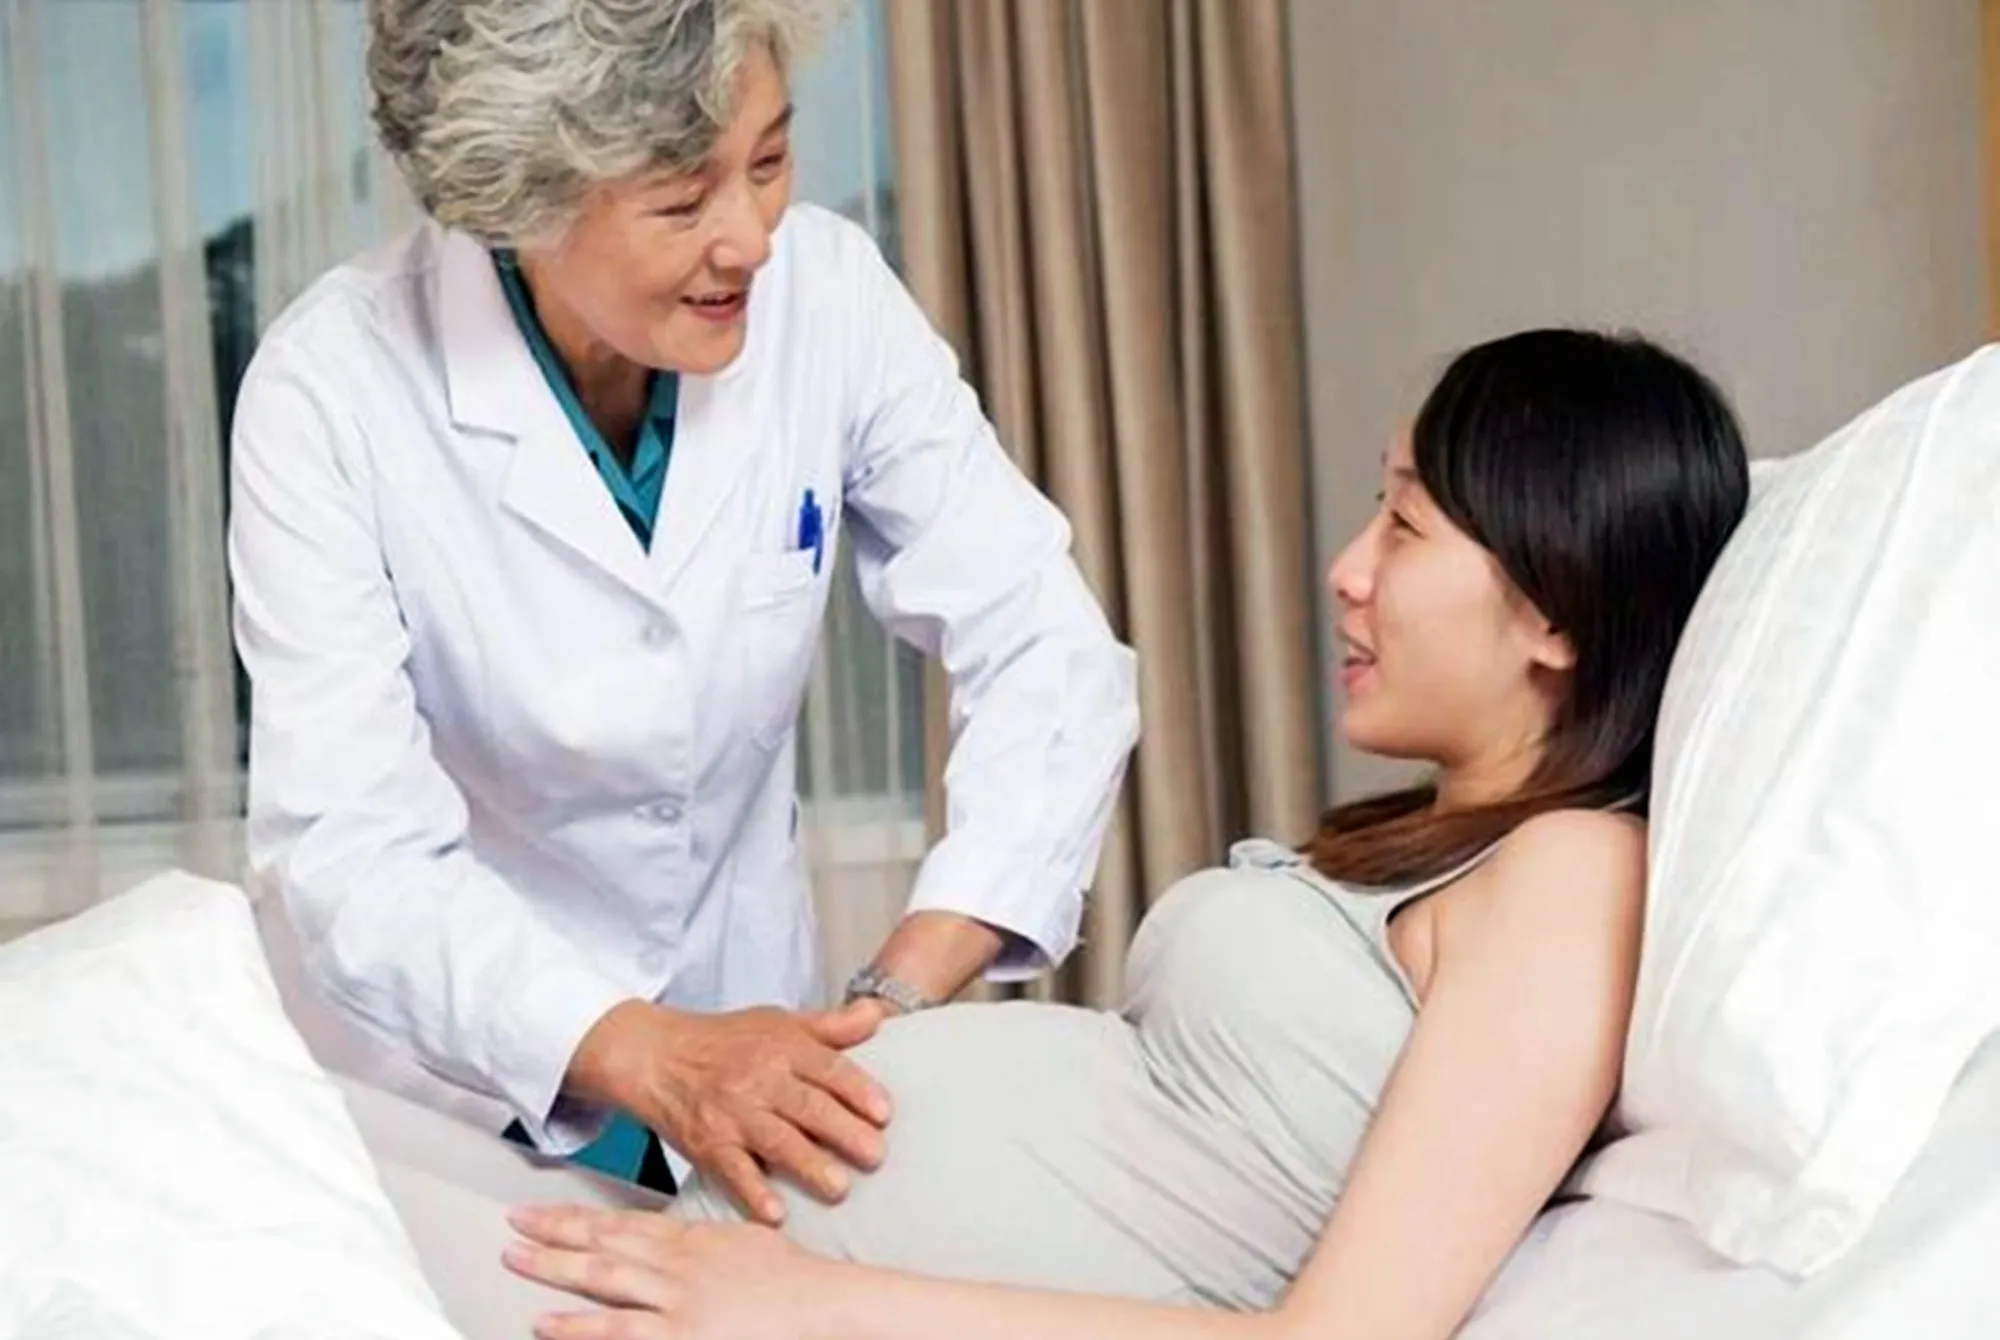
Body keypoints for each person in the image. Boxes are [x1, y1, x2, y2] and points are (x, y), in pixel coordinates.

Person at [499, 327, 1753, 1340]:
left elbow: (1347, 1335)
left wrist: (809, 1305)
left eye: (1404, 525)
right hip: (717, 1279)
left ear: (1552, 606)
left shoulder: (1573, 874)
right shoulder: (1438, 848)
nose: (1346, 568)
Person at [227, 0, 1138, 1216]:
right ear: (521, 199)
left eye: (768, 159)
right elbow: (350, 851)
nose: (750, 237)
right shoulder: (331, 387)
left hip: (751, 1051)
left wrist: (896, 995)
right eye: (679, 200)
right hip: (447, 1092)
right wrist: (647, 1053)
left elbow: (1044, 646)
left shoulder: (828, 297)